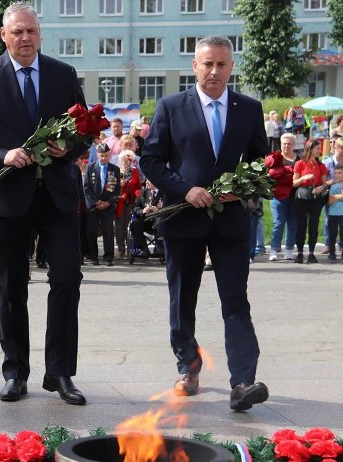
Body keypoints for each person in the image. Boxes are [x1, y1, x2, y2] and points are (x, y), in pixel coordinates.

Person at [0, 2, 88, 405]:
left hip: (58, 198)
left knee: (67, 280)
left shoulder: (63, 74)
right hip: (8, 198)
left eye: (31, 31)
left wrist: (69, 147)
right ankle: (15, 372)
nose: (26, 38)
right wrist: (1, 154)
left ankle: (60, 373)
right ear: (4, 35)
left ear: (39, 34)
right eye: (18, 32)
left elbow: (85, 129)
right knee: (11, 288)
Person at [139, 36, 270, 411]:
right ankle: (188, 368)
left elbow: (262, 162)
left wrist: (242, 188)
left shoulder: (249, 108)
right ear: (194, 66)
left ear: (232, 67)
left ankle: (243, 382)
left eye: (222, 64)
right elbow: (151, 160)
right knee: (183, 299)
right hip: (183, 219)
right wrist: (185, 190)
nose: (215, 71)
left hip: (231, 223)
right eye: (208, 64)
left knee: (236, 301)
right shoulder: (170, 107)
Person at [292, 139, 329, 264]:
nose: (319, 151)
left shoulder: (321, 166)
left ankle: (311, 253)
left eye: (320, 148)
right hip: (301, 197)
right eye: (317, 148)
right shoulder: (300, 163)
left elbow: (325, 184)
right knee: (301, 225)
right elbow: (293, 183)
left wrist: (321, 188)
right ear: (310, 149)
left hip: (315, 198)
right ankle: (300, 253)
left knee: (314, 225)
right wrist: (303, 178)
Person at [83, 145, 121, 266]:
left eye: (105, 156)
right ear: (97, 155)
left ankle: (108, 257)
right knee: (91, 231)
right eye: (101, 156)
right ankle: (93, 256)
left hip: (107, 204)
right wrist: (95, 202)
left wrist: (108, 203)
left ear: (109, 155)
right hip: (93, 205)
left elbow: (116, 190)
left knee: (108, 231)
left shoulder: (115, 169)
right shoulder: (90, 167)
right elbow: (86, 188)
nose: (103, 158)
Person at [265, 134, 298, 261]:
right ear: (281, 144)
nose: (286, 146)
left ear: (294, 145)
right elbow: (266, 175)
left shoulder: (299, 159)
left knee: (292, 223)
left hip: (295, 196)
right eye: (284, 143)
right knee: (278, 223)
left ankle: (289, 249)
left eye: (289, 143)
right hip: (277, 196)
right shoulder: (275, 158)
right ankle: (274, 249)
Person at [322, 138, 343, 256]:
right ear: (335, 148)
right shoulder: (328, 162)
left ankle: (341, 245)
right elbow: (323, 181)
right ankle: (328, 244)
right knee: (329, 220)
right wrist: (332, 182)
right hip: (331, 195)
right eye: (341, 149)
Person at [327, 164, 343, 262]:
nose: (337, 175)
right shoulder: (333, 186)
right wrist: (339, 196)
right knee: (332, 234)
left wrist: (335, 197)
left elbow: (334, 198)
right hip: (333, 214)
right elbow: (329, 200)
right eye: (336, 173)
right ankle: (332, 254)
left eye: (340, 173)